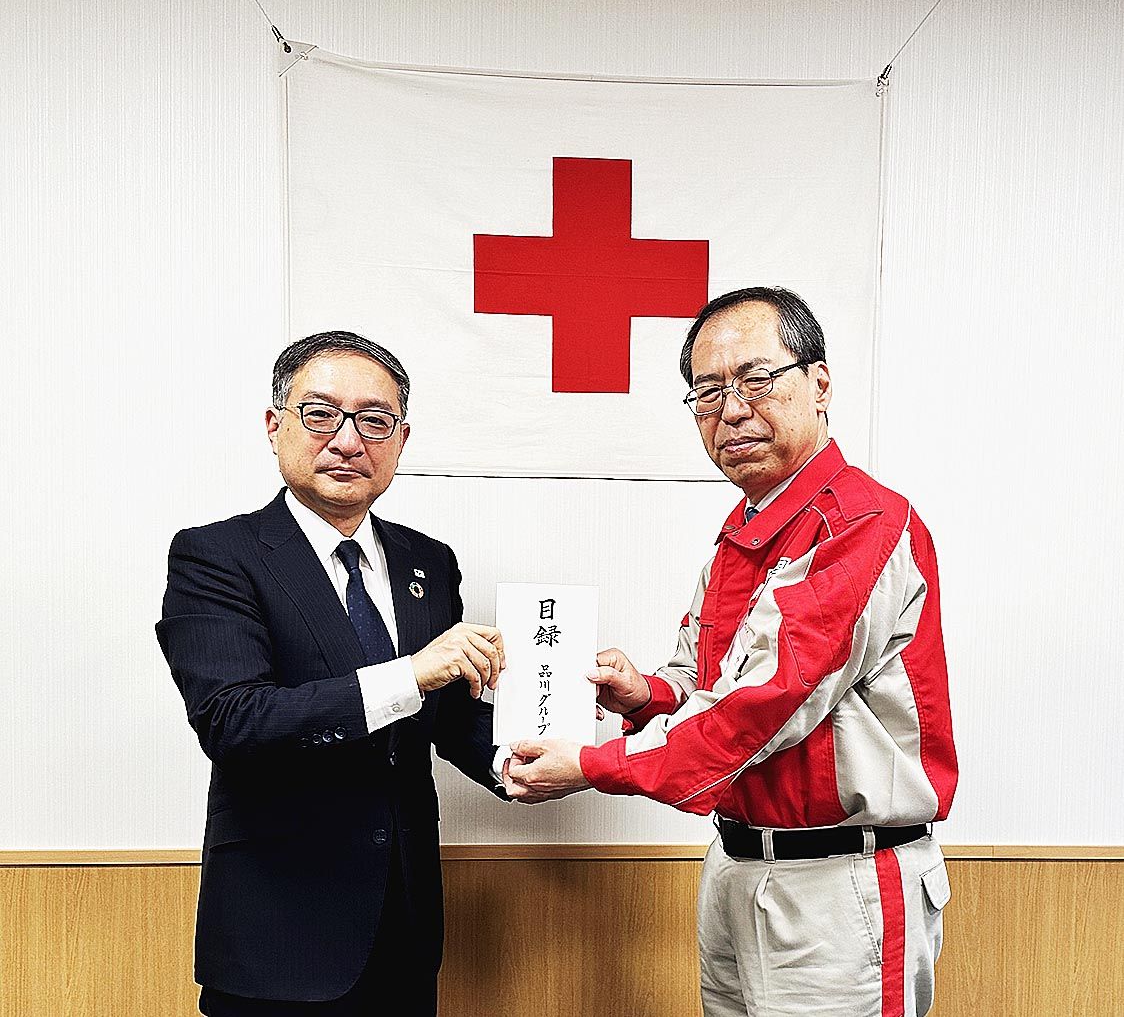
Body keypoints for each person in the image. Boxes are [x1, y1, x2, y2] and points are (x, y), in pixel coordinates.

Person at [505, 287, 958, 1017]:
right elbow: (705, 674)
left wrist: (591, 765)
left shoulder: (860, 523)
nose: (733, 410)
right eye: (708, 392)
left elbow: (763, 703)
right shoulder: (746, 528)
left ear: (819, 384)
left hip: (837, 885)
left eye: (756, 379)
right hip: (736, 863)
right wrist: (646, 694)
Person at [157, 331, 507, 1016]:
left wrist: (544, 755)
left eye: (375, 421)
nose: (348, 441)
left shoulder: (428, 562)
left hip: (404, 928)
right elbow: (234, 721)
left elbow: (447, 716)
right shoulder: (216, 555)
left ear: (401, 440)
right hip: (279, 933)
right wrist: (410, 673)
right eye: (320, 414)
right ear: (274, 425)